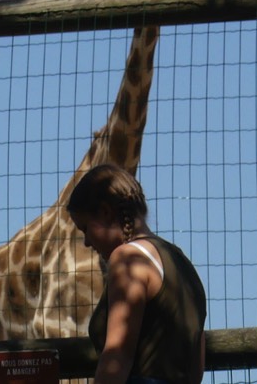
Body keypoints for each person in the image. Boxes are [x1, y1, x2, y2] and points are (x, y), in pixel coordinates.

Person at [67, 164, 207, 384]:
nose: (86, 242)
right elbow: (197, 366)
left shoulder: (128, 259)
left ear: (105, 212)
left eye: (85, 229)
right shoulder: (182, 262)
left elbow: (117, 358)